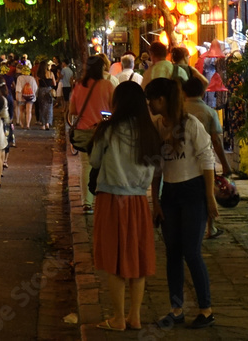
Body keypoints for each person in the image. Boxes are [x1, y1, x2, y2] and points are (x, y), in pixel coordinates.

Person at [145, 78, 218, 330]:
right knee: (173, 253)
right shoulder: (157, 126)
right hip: (171, 193)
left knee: (192, 252)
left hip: (193, 190)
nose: (150, 105)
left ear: (162, 100)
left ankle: (206, 309)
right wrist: (155, 202)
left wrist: (209, 197)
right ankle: (176, 309)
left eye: (151, 100)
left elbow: (207, 159)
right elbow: (157, 168)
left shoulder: (191, 125)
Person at [89, 81, 162, 331]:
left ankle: (118, 318)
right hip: (139, 200)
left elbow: (94, 159)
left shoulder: (109, 130)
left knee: (114, 259)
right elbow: (154, 170)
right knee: (137, 258)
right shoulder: (150, 132)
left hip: (111, 199)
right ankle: (135, 316)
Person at [183, 76, 232, 239]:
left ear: (184, 92)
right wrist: (225, 164)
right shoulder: (209, 112)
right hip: (205, 160)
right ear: (203, 92)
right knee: (208, 191)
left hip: (182, 160)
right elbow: (216, 141)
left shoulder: (180, 110)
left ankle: (186, 226)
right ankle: (211, 228)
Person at [69, 57, 114, 214]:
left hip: (84, 131)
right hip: (103, 132)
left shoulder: (79, 86)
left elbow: (73, 110)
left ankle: (86, 203)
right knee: (104, 166)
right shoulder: (107, 85)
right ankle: (101, 200)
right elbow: (114, 108)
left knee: (86, 167)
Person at [15, 65, 37, 129]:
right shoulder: (32, 78)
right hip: (30, 96)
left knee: (21, 111)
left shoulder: (20, 78)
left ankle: (22, 124)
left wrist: (17, 95)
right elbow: (35, 88)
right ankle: (28, 125)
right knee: (29, 111)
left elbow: (18, 88)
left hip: (21, 97)